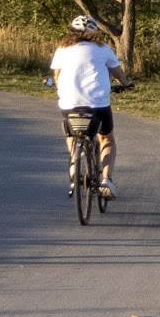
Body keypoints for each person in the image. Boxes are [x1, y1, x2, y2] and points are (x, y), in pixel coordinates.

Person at [50, 15, 132, 198]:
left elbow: (56, 75)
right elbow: (117, 72)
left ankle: (74, 163)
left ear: (71, 31)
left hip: (69, 103)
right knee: (107, 139)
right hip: (97, 104)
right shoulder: (103, 49)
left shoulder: (62, 49)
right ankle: (106, 180)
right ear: (95, 33)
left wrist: (59, 87)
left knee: (72, 133)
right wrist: (126, 83)